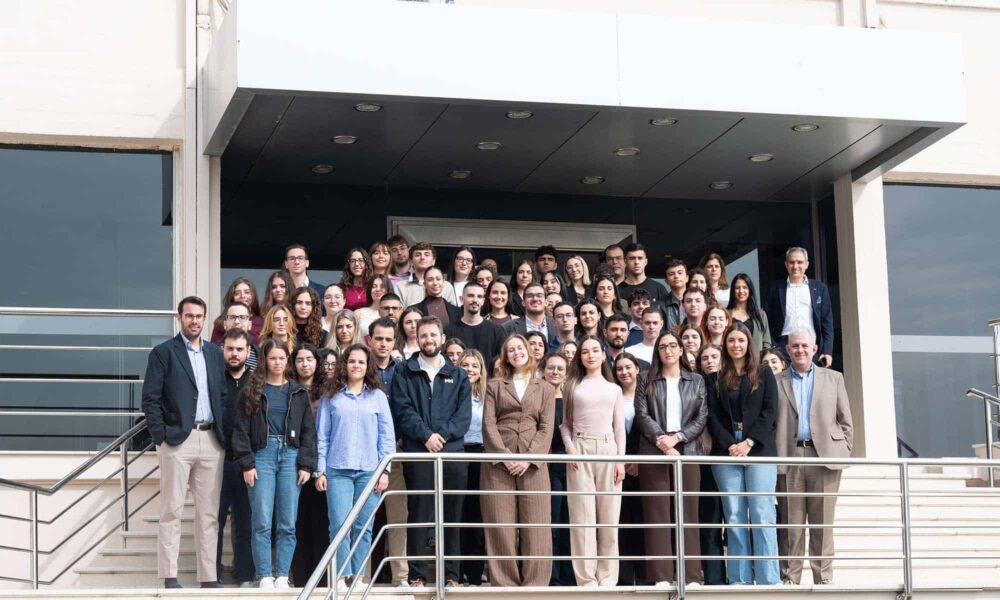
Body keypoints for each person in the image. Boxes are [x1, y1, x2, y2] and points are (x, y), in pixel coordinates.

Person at [142, 296, 228, 589]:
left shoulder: (215, 353)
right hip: (178, 441)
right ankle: (169, 576)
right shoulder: (163, 353)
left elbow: (222, 395)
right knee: (172, 510)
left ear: (205, 319)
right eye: (189, 316)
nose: (194, 321)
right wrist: (161, 437)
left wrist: (223, 433)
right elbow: (150, 399)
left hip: (212, 440)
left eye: (199, 316)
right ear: (180, 318)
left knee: (209, 515)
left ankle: (208, 578)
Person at [389, 316, 472, 587]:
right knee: (419, 512)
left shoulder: (458, 375)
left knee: (452, 515)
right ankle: (417, 575)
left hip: (452, 454)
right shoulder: (404, 371)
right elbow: (402, 410)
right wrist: (426, 436)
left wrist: (442, 436)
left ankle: (451, 575)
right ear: (417, 338)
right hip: (419, 452)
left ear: (442, 338)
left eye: (433, 335)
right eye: (423, 335)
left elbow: (463, 417)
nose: (428, 340)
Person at [232, 339, 317, 589]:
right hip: (262, 455)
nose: (277, 362)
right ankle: (264, 575)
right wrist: (247, 463)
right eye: (272, 358)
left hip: (291, 456)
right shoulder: (252, 390)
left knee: (287, 523)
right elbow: (240, 429)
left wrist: (306, 464)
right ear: (265, 360)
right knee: (261, 521)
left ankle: (281, 575)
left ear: (287, 360)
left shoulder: (298, 393)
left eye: (282, 358)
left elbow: (308, 431)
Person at [775, 330, 854, 585]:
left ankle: (823, 578)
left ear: (814, 349)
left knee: (823, 522)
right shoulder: (775, 381)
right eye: (795, 346)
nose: (800, 350)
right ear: (788, 350)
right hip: (789, 456)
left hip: (825, 457)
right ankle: (790, 577)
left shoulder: (834, 378)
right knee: (791, 522)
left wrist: (843, 450)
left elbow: (846, 421)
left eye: (804, 346)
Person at [315, 344, 395, 589]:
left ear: (367, 366)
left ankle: (358, 577)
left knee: (364, 526)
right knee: (339, 524)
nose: (356, 366)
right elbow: (322, 436)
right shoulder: (331, 396)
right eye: (352, 361)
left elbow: (387, 437)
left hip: (370, 471)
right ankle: (341, 575)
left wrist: (385, 470)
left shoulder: (378, 397)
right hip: (337, 469)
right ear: (344, 364)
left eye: (361, 362)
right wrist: (321, 470)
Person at [706, 322, 779, 585]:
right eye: (731, 340)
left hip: (758, 448)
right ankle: (739, 578)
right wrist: (731, 445)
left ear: (749, 343)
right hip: (726, 451)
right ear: (725, 344)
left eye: (741, 340)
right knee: (734, 515)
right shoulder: (715, 377)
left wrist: (748, 442)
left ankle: (769, 579)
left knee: (761, 513)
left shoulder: (763, 372)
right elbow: (712, 416)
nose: (736, 345)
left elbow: (770, 411)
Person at [481, 335, 556, 586]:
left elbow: (546, 427)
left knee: (537, 525)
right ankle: (505, 585)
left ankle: (536, 585)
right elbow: (488, 424)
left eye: (520, 348)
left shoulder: (545, 387)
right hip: (498, 462)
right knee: (500, 525)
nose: (516, 352)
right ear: (506, 356)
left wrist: (528, 458)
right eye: (511, 350)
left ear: (529, 351)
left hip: (533, 464)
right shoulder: (494, 385)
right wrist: (504, 456)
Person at [633, 331, 707, 586]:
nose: (668, 350)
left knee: (689, 513)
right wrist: (663, 441)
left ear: (681, 350)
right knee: (657, 513)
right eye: (663, 346)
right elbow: (642, 414)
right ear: (658, 351)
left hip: (688, 450)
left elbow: (701, 417)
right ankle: (661, 576)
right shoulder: (645, 378)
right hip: (654, 450)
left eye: (673, 346)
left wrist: (678, 438)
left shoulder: (696, 380)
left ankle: (691, 576)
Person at [560, 336, 625, 587]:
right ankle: (586, 577)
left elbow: (619, 428)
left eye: (595, 350)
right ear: (580, 356)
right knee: (582, 517)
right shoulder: (572, 385)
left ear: (603, 354)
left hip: (608, 448)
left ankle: (607, 576)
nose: (590, 355)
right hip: (581, 448)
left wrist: (620, 460)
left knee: (609, 517)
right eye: (585, 351)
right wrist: (570, 448)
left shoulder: (614, 389)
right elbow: (565, 425)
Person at [367, 318, 410, 588]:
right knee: (363, 521)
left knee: (398, 517)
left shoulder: (403, 371)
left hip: (395, 453)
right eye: (379, 339)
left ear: (395, 341)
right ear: (369, 340)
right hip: (363, 456)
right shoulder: (359, 366)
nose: (383, 344)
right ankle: (360, 577)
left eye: (388, 339)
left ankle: (400, 577)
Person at [288, 343, 329, 587]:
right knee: (297, 523)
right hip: (293, 464)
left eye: (309, 359)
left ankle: (322, 580)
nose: (305, 364)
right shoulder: (288, 389)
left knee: (321, 523)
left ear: (317, 362)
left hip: (321, 466)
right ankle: (301, 578)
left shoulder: (328, 391)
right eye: (300, 359)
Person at [217, 328, 255, 586]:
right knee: (215, 521)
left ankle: (245, 576)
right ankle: (212, 575)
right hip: (217, 460)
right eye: (230, 348)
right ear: (223, 349)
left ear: (248, 352)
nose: (234, 353)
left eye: (239, 349)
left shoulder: (256, 382)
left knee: (245, 522)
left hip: (247, 463)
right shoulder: (214, 379)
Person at [764, 248, 834, 368]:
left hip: (811, 347)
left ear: (807, 264)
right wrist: (773, 347)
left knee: (811, 380)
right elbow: (767, 321)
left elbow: (827, 323)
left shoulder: (820, 288)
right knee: (784, 380)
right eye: (792, 262)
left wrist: (827, 352)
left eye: (800, 262)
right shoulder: (775, 289)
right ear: (786, 264)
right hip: (783, 348)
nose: (795, 266)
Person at [693, 344, 726, 585]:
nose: (710, 361)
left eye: (714, 356)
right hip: (704, 459)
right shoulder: (696, 386)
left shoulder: (731, 384)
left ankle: (739, 576)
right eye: (705, 358)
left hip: (731, 456)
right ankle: (714, 578)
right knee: (710, 521)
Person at [539, 353, 573, 586]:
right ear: (543, 370)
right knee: (552, 520)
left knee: (570, 520)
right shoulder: (537, 397)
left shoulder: (572, 398)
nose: (555, 372)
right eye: (551, 368)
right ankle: (552, 575)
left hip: (570, 463)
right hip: (547, 464)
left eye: (560, 369)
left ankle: (570, 575)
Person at [613, 353, 646, 586]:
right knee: (621, 523)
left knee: (644, 523)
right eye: (619, 369)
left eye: (628, 367)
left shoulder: (648, 396)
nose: (624, 372)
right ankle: (623, 579)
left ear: (637, 369)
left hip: (645, 467)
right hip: (617, 469)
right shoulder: (612, 395)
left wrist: (640, 461)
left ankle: (644, 578)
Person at [458, 349, 489, 586]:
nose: (470, 369)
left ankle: (476, 573)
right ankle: (457, 572)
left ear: (481, 370)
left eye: (474, 366)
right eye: (465, 365)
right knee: (458, 513)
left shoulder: (487, 396)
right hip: (457, 453)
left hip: (480, 454)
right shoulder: (452, 394)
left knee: (477, 514)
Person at [445, 283, 504, 374]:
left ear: (483, 301)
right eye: (470, 296)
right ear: (461, 299)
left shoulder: (497, 331)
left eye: (479, 296)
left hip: (488, 382)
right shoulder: (449, 331)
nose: (475, 300)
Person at [394, 242, 458, 307]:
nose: (422, 257)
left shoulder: (446, 287)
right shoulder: (400, 287)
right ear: (411, 262)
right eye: (418, 255)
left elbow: (453, 312)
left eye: (427, 255)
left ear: (433, 261)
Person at [728, 274, 772, 353]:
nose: (741, 291)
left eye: (745, 287)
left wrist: (763, 357)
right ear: (733, 291)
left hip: (756, 358)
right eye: (737, 288)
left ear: (750, 290)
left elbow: (766, 343)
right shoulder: (726, 314)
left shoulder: (761, 315)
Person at [211, 277, 264, 344]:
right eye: (237, 293)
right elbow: (214, 347)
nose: (242, 296)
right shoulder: (221, 321)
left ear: (253, 295)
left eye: (247, 292)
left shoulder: (261, 322)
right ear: (232, 297)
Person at [618, 242, 670, 309]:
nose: (636, 262)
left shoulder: (659, 289)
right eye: (632, 258)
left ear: (646, 261)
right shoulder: (617, 291)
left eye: (640, 258)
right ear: (625, 262)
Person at [218, 302, 259, 372]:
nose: (237, 321)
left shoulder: (260, 354)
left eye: (242, 317)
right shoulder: (210, 352)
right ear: (224, 324)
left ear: (250, 324)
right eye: (232, 317)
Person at [662, 259, 688, 332]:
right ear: (666, 281)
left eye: (680, 273)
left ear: (687, 278)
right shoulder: (660, 306)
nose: (676, 276)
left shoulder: (697, 302)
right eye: (671, 274)